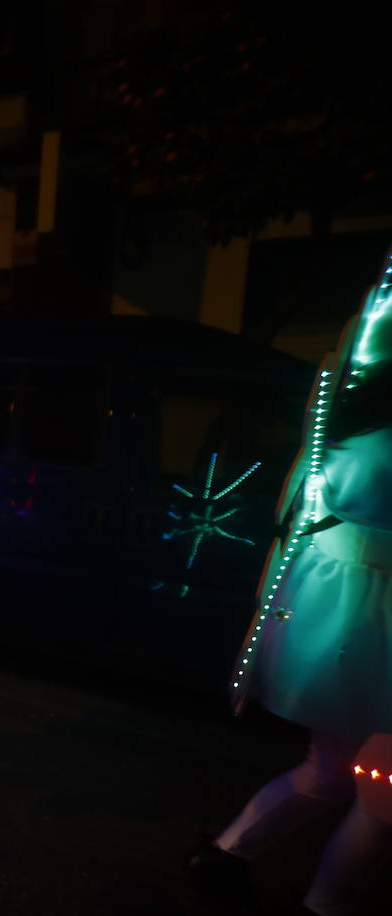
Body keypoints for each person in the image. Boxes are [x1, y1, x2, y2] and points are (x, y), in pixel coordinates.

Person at [190, 314, 392, 915]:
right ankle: (321, 903)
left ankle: (226, 855)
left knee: (334, 772)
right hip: (363, 617)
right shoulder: (362, 429)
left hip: (345, 612)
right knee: (377, 792)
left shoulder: (348, 413)